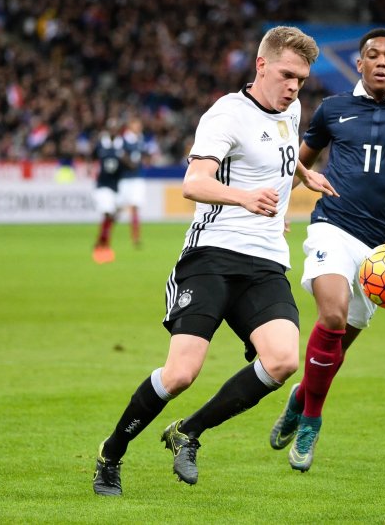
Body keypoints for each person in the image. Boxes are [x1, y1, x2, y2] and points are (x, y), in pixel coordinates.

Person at [92, 25, 337, 496]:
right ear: (261, 65)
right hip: (212, 256)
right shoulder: (225, 115)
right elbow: (193, 182)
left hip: (265, 261)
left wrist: (306, 174)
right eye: (287, 75)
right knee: (182, 373)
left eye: (302, 80)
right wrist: (245, 198)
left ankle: (189, 431)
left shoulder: (291, 108)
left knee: (284, 360)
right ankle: (111, 455)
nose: (294, 87)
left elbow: (280, 156)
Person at [268, 28, 385, 472]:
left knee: (337, 348)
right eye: (373, 55)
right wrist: (275, 209)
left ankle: (299, 399)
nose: (382, 61)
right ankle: (312, 421)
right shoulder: (333, 110)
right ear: (360, 64)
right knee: (331, 315)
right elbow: (299, 165)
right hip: (333, 226)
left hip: (384, 250)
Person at [91, 118, 126, 264]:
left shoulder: (121, 144)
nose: (113, 130)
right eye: (111, 128)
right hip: (102, 185)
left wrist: (125, 158)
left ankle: (101, 240)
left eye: (115, 128)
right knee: (108, 213)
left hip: (117, 186)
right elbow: (92, 156)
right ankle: (104, 243)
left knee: (114, 215)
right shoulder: (101, 143)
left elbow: (129, 163)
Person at [117, 117, 148, 248]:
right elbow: (119, 155)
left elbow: (143, 156)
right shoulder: (122, 140)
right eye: (136, 124)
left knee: (135, 207)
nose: (138, 127)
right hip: (125, 178)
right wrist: (129, 163)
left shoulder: (140, 139)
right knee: (118, 208)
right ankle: (107, 233)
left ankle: (135, 237)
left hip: (137, 178)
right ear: (130, 125)